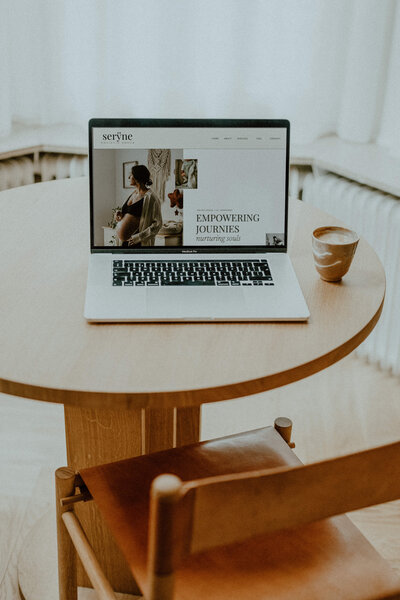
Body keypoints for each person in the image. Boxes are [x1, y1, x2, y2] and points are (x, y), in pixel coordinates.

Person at [115, 165, 162, 247]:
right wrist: (119, 214)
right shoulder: (132, 194)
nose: (129, 177)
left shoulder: (151, 198)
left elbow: (157, 224)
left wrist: (138, 237)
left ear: (137, 177)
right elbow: (128, 215)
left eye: (131, 175)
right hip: (123, 243)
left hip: (138, 243)